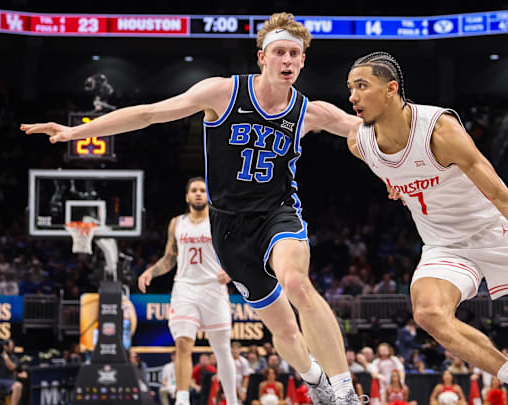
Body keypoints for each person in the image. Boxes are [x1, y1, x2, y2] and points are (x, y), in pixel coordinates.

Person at [22, 12, 362, 405]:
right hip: (230, 228)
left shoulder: (310, 111)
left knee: (297, 283)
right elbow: (148, 113)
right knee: (284, 333)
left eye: (294, 54)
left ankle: (345, 392)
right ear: (261, 56)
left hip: (278, 213)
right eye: (280, 52)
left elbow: (368, 134)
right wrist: (74, 132)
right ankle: (315, 378)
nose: (287, 60)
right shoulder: (222, 93)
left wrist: (397, 176)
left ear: (303, 61)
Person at [345, 51, 508, 405]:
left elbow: (501, 195)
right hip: (443, 244)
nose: (352, 97)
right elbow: (369, 150)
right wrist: (391, 182)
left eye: (362, 86)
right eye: (350, 88)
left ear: (391, 89)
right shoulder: (359, 143)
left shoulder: (440, 131)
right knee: (427, 313)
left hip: (494, 230)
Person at [138, 177, 238, 405]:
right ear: (187, 196)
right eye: (194, 190)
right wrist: (149, 273)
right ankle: (182, 400)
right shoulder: (177, 223)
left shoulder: (219, 220)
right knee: (182, 344)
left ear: (207, 195)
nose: (198, 193)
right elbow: (169, 257)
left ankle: (232, 401)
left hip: (214, 287)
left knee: (222, 349)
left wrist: (233, 271)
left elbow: (237, 252)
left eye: (202, 190)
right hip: (185, 288)